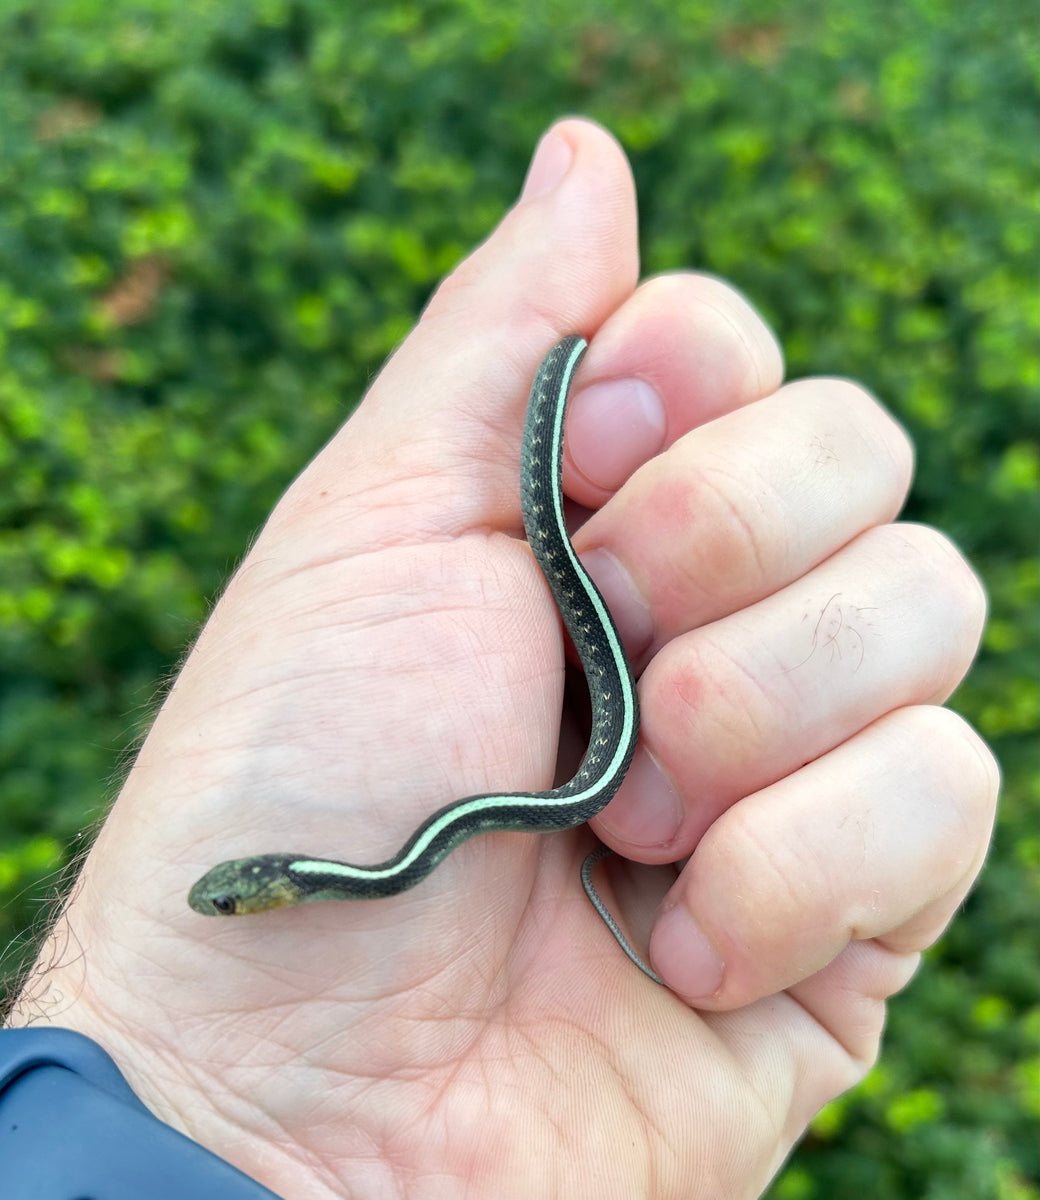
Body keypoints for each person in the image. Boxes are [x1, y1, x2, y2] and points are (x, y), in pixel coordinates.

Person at [2, 119, 997, 1199]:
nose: (230, 909)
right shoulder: (370, 875)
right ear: (281, 889)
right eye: (237, 903)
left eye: (234, 901)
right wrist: (198, 1094)